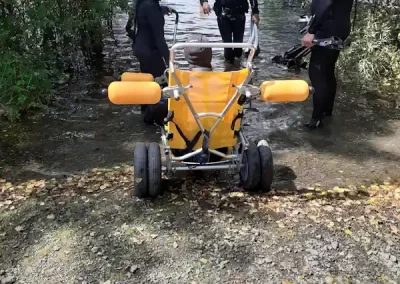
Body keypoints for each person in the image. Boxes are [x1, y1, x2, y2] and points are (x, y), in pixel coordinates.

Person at [301, 0, 354, 129]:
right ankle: (326, 112)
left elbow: (325, 3)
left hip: (327, 30)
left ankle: (316, 120)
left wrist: (312, 30)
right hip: (339, 27)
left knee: (317, 73)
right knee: (328, 71)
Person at [133, 0, 172, 125]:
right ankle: (151, 119)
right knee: (163, 85)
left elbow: (147, 19)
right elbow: (159, 38)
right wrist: (170, 61)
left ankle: (145, 113)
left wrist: (161, 9)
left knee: (149, 82)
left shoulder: (145, 3)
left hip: (141, 48)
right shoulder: (151, 6)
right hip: (150, 51)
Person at [199, 0, 260, 65]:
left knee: (238, 48)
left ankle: (237, 66)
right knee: (227, 47)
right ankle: (228, 66)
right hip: (223, 16)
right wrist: (204, 3)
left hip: (239, 14)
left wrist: (255, 12)